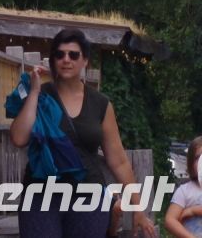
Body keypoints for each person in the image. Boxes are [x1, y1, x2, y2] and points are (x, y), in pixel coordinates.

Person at [8, 29, 157, 238]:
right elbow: (18, 138)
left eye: (73, 55)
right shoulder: (41, 97)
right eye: (59, 54)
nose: (66, 60)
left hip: (88, 194)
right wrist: (33, 92)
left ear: (85, 60)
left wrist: (138, 208)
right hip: (42, 193)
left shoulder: (100, 104)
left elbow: (119, 161)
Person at [163, 136, 202, 238]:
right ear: (191, 164)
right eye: (198, 157)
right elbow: (169, 220)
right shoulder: (184, 191)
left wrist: (193, 211)